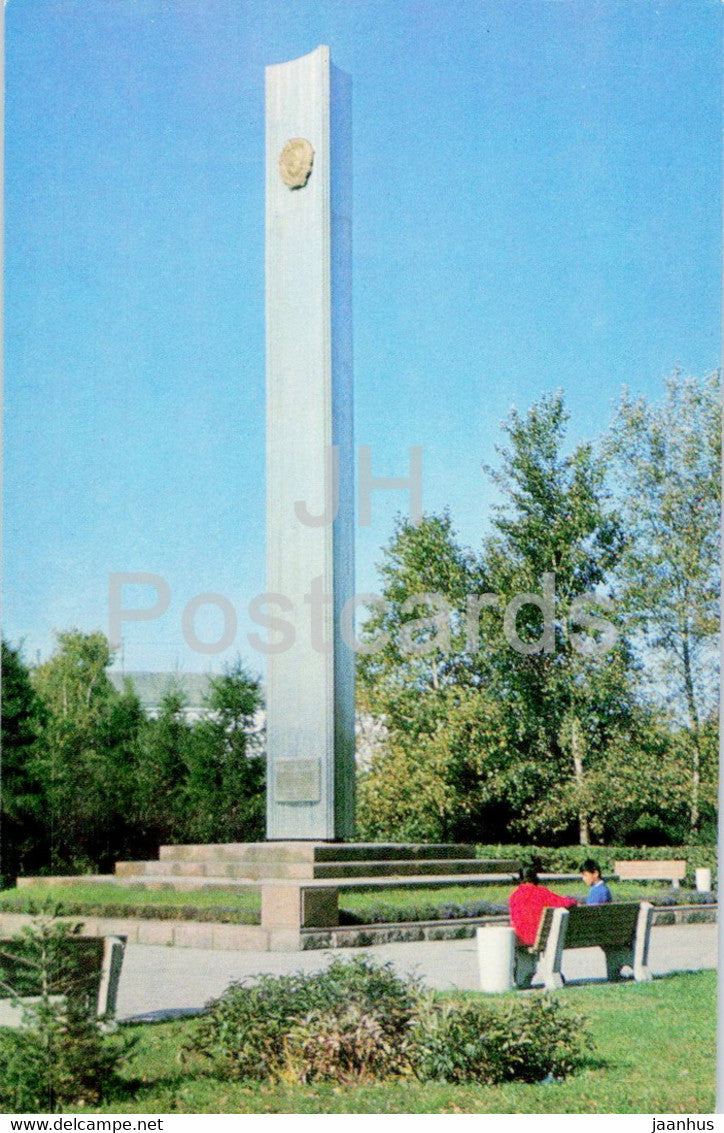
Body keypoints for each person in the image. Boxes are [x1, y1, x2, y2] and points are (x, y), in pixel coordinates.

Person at [508, 863, 578, 946]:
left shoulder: (514, 896)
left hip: (519, 941)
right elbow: (565, 902)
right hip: (538, 940)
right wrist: (573, 900)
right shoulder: (542, 893)